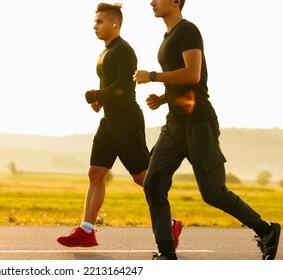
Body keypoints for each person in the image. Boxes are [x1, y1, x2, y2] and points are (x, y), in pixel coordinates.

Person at [133, 0, 280, 260]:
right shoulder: (168, 36)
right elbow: (184, 83)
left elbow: (193, 75)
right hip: (174, 123)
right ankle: (167, 252)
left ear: (176, 2)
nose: (152, 2)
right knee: (153, 183)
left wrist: (153, 76)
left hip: (199, 125)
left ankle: (265, 229)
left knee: (213, 193)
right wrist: (164, 98)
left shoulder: (188, 30)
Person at [57, 2, 182, 249]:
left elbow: (125, 86)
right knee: (95, 173)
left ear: (115, 23)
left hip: (126, 121)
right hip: (109, 121)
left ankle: (169, 224)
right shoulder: (104, 52)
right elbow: (111, 88)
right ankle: (86, 230)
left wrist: (98, 94)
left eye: (100, 22)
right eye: (95, 22)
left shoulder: (124, 50)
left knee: (141, 177)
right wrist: (99, 101)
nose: (95, 26)